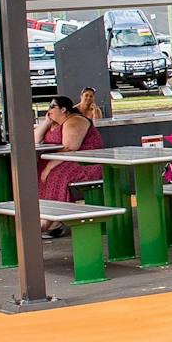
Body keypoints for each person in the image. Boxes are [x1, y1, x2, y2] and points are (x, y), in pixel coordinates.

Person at [35, 96, 104, 237]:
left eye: (52, 107)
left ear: (63, 109)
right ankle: (44, 214)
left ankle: (55, 220)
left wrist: (49, 167)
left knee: (55, 175)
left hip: (85, 162)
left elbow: (70, 148)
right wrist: (46, 122)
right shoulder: (54, 123)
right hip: (62, 161)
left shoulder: (75, 121)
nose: (49, 110)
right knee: (37, 171)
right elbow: (35, 140)